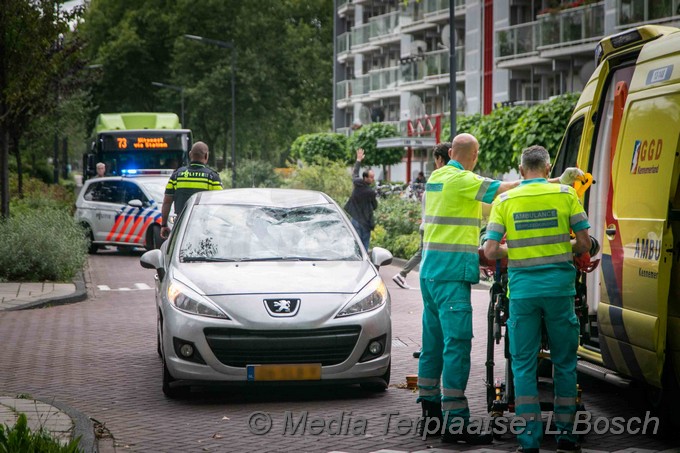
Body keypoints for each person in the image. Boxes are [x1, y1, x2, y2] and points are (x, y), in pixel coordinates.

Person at [416, 134, 584, 445]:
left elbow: (484, 211)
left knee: (433, 343)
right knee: (457, 345)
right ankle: (456, 424)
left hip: (430, 274)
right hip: (451, 274)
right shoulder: (462, 179)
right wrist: (556, 180)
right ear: (475, 155)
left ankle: (429, 414)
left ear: (450, 152)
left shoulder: (437, 179)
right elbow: (505, 189)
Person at [483, 145, 592, 453]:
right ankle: (567, 437)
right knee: (565, 363)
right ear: (547, 170)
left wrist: (516, 251)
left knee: (523, 364)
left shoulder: (504, 200)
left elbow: (491, 251)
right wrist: (558, 248)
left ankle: (528, 440)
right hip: (559, 291)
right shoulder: (566, 196)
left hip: (522, 294)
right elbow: (583, 242)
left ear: (521, 171)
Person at [392, 143, 449, 290]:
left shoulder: (432, 181)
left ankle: (403, 274)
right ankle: (403, 274)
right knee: (424, 254)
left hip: (425, 225)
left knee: (422, 253)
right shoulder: (442, 180)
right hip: (431, 227)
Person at [160, 141, 222, 239]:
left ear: (190, 155)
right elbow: (219, 204)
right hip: (203, 227)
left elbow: (167, 202)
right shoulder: (212, 177)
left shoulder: (176, 175)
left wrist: (163, 225)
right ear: (206, 156)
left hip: (181, 226)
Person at [344, 148, 377, 251]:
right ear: (366, 178)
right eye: (371, 177)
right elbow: (374, 206)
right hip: (364, 222)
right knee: (364, 245)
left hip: (355, 219)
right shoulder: (371, 192)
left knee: (355, 244)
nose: (373, 179)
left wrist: (358, 160)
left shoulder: (357, 183)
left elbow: (355, 173)